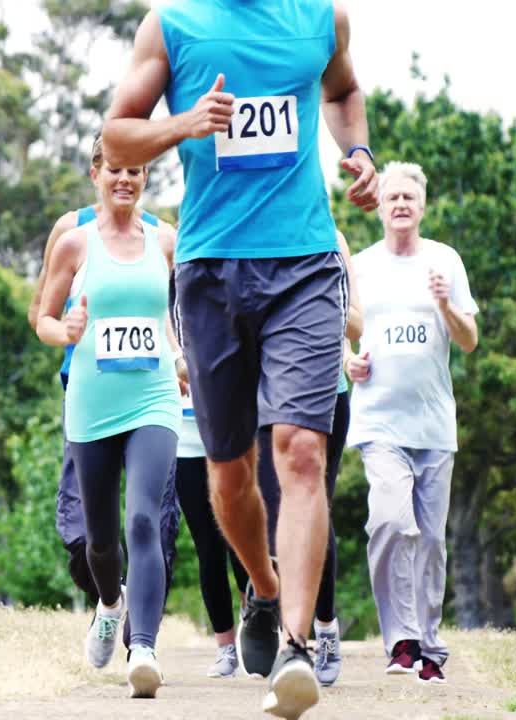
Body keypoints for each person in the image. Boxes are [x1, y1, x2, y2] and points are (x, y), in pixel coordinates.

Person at [103, 2, 378, 715]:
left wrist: (359, 153)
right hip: (211, 268)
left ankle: (295, 646)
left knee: (302, 452)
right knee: (229, 474)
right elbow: (116, 135)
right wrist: (183, 124)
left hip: (306, 264)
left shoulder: (321, 17)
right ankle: (264, 583)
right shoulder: (173, 24)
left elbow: (343, 92)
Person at [35, 155, 182, 699]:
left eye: (136, 171)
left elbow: (169, 314)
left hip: (154, 397)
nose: (125, 179)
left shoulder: (165, 240)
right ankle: (109, 604)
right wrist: (65, 329)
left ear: (145, 180)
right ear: (95, 174)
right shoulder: (75, 242)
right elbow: (43, 319)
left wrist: (179, 355)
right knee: (99, 540)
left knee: (143, 518)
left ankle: (141, 647)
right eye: (115, 170)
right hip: (92, 402)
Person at [345, 162, 479, 685]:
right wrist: (346, 362)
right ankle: (400, 639)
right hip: (378, 421)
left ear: (422, 207)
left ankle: (429, 646)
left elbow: (469, 340)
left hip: (434, 425)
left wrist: (444, 303)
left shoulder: (445, 261)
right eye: (392, 197)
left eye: (409, 197)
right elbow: (342, 329)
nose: (400, 204)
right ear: (379, 207)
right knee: (389, 520)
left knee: (430, 539)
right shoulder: (360, 266)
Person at [256, 230, 362, 688]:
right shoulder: (253, 235)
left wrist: (307, 313)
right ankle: (274, 618)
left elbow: (357, 323)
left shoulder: (331, 239)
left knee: (316, 506)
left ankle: (323, 628)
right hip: (262, 397)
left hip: (325, 395)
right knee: (269, 513)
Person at [173, 386, 251, 679]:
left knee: (240, 538)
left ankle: (252, 620)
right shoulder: (169, 337)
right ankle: (225, 648)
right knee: (207, 547)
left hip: (229, 432)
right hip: (185, 438)